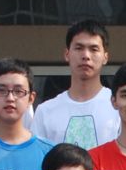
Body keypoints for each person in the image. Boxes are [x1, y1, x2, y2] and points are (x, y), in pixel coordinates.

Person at [34, 20, 121, 149]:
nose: (86, 56)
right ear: (67, 54)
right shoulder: (45, 111)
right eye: (79, 48)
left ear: (105, 57)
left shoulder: (119, 108)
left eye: (94, 49)